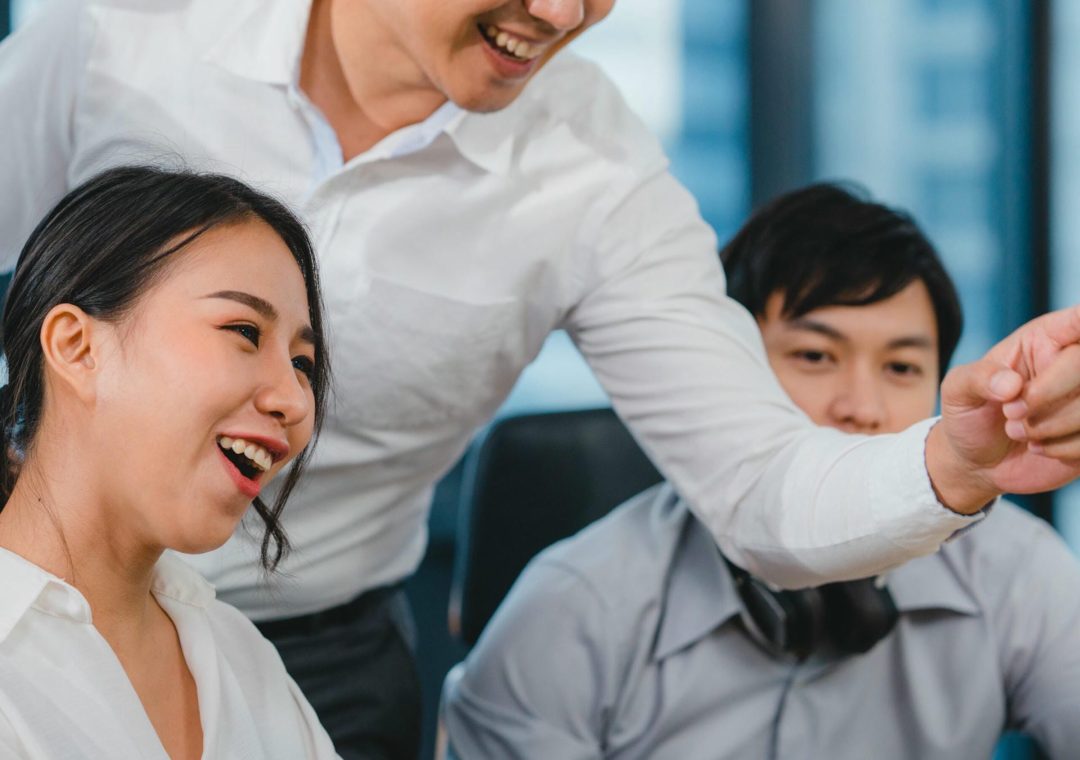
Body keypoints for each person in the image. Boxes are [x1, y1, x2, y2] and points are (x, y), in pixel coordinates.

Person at [4, 2, 1080, 756]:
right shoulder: (120, 38)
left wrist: (952, 457)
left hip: (306, 649)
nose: (564, 12)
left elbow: (761, 481)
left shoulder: (593, 171)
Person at [442, 183, 1080, 759]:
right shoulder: (578, 605)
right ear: (729, 376)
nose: (861, 407)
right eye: (815, 356)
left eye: (901, 368)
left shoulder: (1016, 572)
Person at [0, 166, 339, 759]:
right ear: (77, 348)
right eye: (244, 331)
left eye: (302, 364)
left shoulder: (241, 656)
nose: (293, 401)